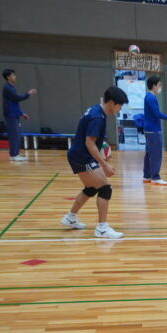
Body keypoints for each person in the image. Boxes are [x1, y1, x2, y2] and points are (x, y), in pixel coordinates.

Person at [60, 87, 129, 239]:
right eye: (120, 105)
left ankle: (70, 218)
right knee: (105, 188)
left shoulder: (97, 110)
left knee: (91, 188)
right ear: (111, 103)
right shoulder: (98, 117)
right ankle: (102, 228)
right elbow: (89, 143)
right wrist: (105, 165)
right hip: (81, 156)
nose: (120, 108)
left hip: (79, 155)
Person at [143, 76, 167, 185]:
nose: (160, 87)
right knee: (156, 154)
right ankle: (155, 177)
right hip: (153, 130)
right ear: (154, 86)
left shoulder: (148, 96)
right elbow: (156, 114)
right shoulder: (151, 98)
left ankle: (147, 176)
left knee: (149, 154)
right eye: (159, 85)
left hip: (149, 129)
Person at [1, 69, 36, 162]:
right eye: (13, 75)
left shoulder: (11, 87)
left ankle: (16, 154)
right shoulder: (7, 88)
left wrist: (21, 113)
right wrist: (28, 94)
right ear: (8, 77)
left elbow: (14, 103)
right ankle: (13, 155)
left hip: (15, 114)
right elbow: (17, 98)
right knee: (14, 135)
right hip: (10, 115)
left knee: (17, 135)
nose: (15, 77)